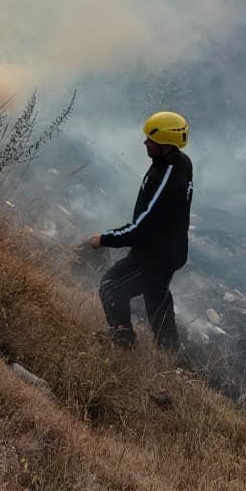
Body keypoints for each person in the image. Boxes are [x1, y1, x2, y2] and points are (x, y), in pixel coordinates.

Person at [89, 111, 192, 351]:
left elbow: (141, 228)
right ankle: (169, 353)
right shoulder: (180, 161)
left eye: (150, 140)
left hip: (155, 257)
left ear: (166, 144)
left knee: (111, 288)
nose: (145, 142)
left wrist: (104, 239)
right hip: (167, 250)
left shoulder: (165, 178)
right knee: (156, 297)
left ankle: (123, 344)